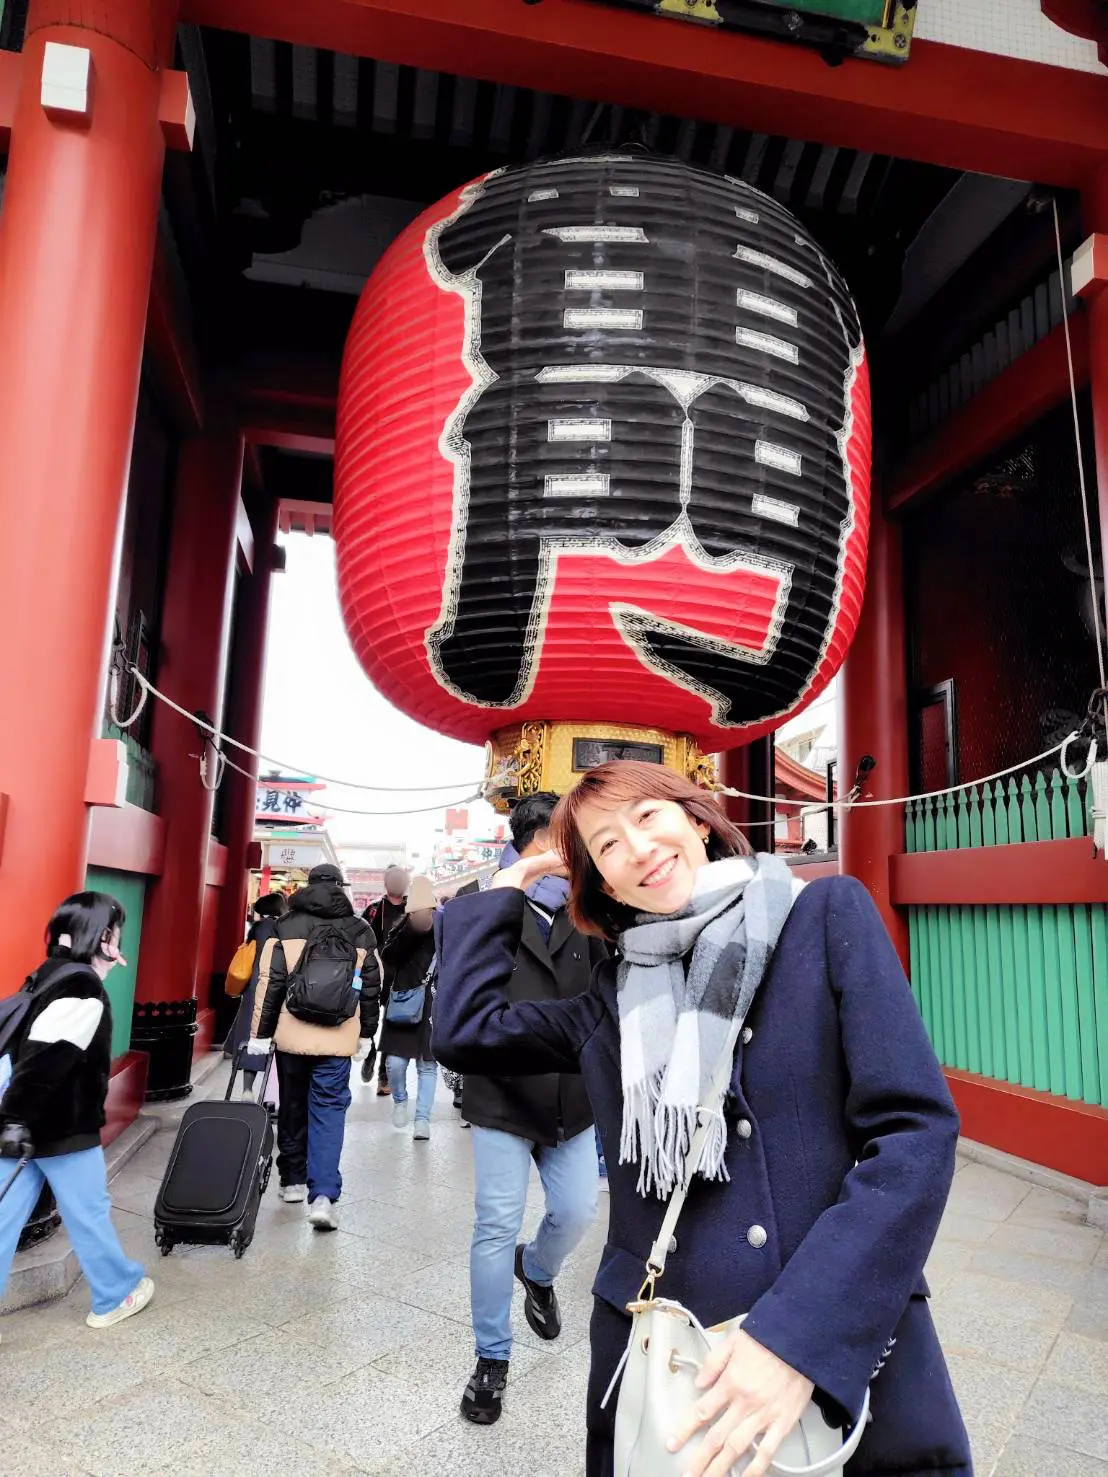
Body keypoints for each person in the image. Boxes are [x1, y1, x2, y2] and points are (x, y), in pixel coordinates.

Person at [434, 761, 970, 1477]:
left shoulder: (822, 917)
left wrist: (798, 1338)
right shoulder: (609, 1000)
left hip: (833, 1317)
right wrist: (513, 880)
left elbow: (913, 1131)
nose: (639, 849)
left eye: (648, 816)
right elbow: (466, 1030)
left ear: (695, 818)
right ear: (602, 882)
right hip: (665, 1342)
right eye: (607, 845)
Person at [452, 794, 608, 1427]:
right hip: (500, 1090)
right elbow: (460, 995)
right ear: (536, 840)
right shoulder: (481, 904)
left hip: (572, 1091)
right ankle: (491, 1358)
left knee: (577, 1211)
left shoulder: (591, 905)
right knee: (495, 1223)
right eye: (567, 838)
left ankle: (537, 1269)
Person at [0, 893, 154, 1331]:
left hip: (19, 1124)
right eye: (116, 932)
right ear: (104, 936)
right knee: (87, 1211)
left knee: (4, 1216)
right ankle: (115, 1292)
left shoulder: (46, 975)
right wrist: (16, 1119)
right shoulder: (81, 987)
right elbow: (46, 1060)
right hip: (58, 1125)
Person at [249, 863, 380, 1231]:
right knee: (328, 1111)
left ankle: (292, 1180)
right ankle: (323, 1194)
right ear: (341, 887)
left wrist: (260, 1034)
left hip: (292, 1036)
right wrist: (367, 1033)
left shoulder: (285, 925)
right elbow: (370, 987)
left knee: (292, 1105)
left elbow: (271, 982)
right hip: (338, 1037)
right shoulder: (360, 929)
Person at [379, 875, 438, 1141]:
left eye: (429, 912)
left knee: (427, 1066)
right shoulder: (402, 932)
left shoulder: (444, 931)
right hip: (403, 1004)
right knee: (395, 1063)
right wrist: (411, 930)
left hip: (432, 1006)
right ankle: (400, 1099)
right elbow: (389, 957)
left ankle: (422, 1120)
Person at [223, 892, 288, 1099]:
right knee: (279, 1040)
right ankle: (280, 1093)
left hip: (254, 989)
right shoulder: (284, 929)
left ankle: (247, 1089)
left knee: (251, 1036)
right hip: (279, 989)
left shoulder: (256, 929)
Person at [362, 865, 410, 1093]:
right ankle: (369, 1051)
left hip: (401, 977)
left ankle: (384, 1076)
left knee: (392, 1026)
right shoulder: (373, 910)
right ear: (386, 882)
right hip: (374, 975)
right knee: (368, 1020)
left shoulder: (414, 908)